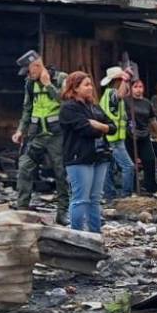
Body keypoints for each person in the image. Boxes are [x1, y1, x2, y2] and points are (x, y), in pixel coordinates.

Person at [13, 54, 69, 225]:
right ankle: (22, 209)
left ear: (37, 65)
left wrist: (48, 85)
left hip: (57, 136)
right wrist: (20, 130)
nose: (27, 75)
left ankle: (62, 212)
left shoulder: (61, 78)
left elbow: (67, 103)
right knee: (24, 167)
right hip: (37, 135)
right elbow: (27, 109)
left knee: (61, 173)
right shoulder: (30, 84)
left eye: (29, 72)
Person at [59, 71, 115, 233]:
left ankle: (95, 235)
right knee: (80, 199)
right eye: (86, 85)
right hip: (79, 158)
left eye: (91, 84)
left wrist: (99, 126)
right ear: (75, 88)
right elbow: (85, 130)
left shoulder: (94, 107)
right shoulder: (68, 108)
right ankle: (77, 236)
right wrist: (102, 128)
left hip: (100, 156)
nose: (91, 88)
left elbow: (112, 127)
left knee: (95, 199)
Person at [99, 66, 134, 200]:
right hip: (113, 139)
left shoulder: (108, 95)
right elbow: (119, 94)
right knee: (128, 167)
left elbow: (123, 94)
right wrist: (126, 79)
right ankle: (126, 196)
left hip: (112, 137)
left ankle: (109, 195)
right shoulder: (111, 94)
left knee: (108, 168)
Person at [129, 78, 157, 195]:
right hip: (130, 136)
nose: (138, 90)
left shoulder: (147, 102)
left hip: (144, 135)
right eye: (135, 87)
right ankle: (133, 189)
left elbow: (152, 119)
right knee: (131, 163)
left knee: (149, 159)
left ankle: (151, 187)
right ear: (130, 88)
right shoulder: (126, 101)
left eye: (140, 87)